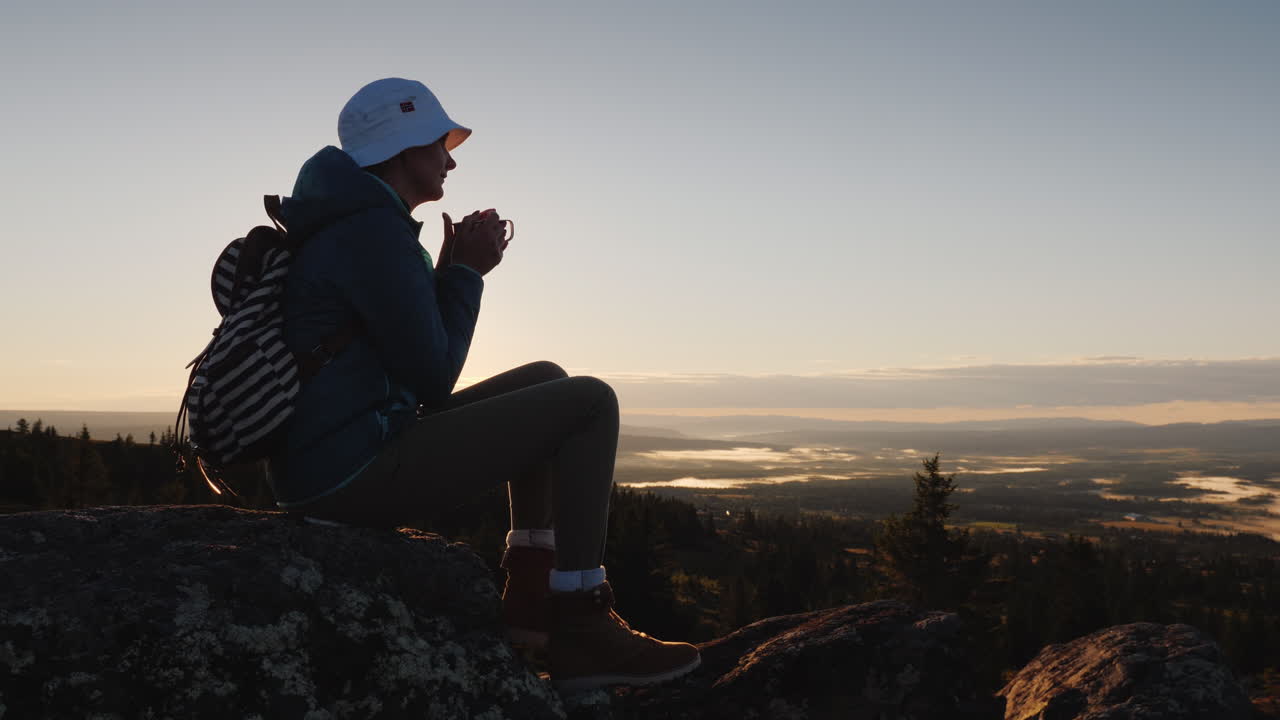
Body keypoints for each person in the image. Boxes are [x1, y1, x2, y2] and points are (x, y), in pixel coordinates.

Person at [266, 77, 701, 693]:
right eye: (439, 142)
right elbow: (433, 380)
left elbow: (405, 356)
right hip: (346, 475)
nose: (450, 157)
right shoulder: (371, 234)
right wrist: (466, 273)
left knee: (547, 381)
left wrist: (447, 273)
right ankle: (579, 622)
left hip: (338, 451)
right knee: (591, 402)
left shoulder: (356, 224)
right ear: (401, 149)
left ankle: (529, 593)